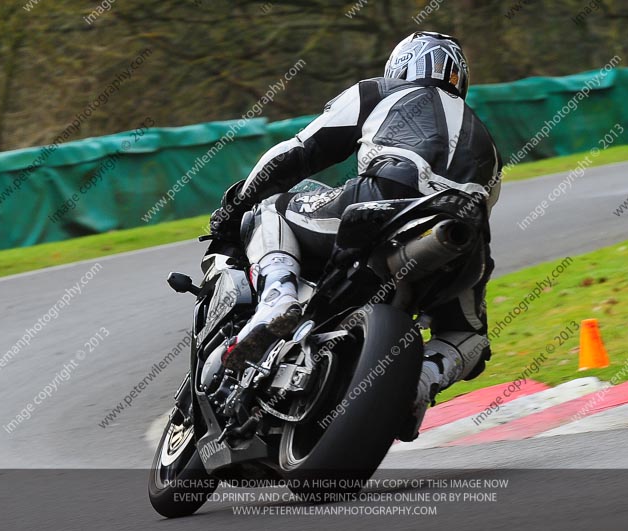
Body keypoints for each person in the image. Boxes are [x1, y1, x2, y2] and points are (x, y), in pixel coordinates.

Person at [209, 31, 502, 441]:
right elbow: (485, 206)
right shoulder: (487, 139)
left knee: (270, 208)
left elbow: (298, 151)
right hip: (465, 240)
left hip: (384, 199)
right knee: (470, 337)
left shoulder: (380, 91)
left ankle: (278, 298)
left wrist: (235, 204)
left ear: (400, 66)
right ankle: (419, 385)